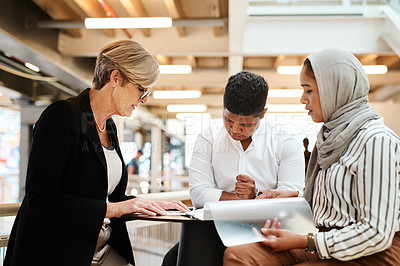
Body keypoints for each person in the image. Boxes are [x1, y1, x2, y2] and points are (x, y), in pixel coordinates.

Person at [4, 39, 189, 266]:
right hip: (57, 251)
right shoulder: (62, 116)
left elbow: (110, 198)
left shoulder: (108, 126)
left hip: (99, 247)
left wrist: (150, 204)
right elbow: (41, 199)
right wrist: (114, 209)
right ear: (116, 78)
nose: (144, 99)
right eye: (142, 89)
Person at [223, 48, 400, 265]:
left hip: (373, 250)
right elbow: (334, 207)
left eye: (308, 90)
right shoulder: (329, 137)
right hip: (321, 237)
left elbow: (376, 233)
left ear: (334, 89)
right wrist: (294, 198)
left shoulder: (376, 140)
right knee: (237, 255)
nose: (302, 99)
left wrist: (304, 241)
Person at [189, 70, 305, 208]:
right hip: (213, 226)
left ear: (262, 114)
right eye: (228, 119)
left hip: (267, 225)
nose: (235, 129)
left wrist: (256, 195)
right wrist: (244, 199)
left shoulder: (285, 141)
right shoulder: (208, 138)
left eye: (245, 124)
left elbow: (290, 197)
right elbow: (198, 194)